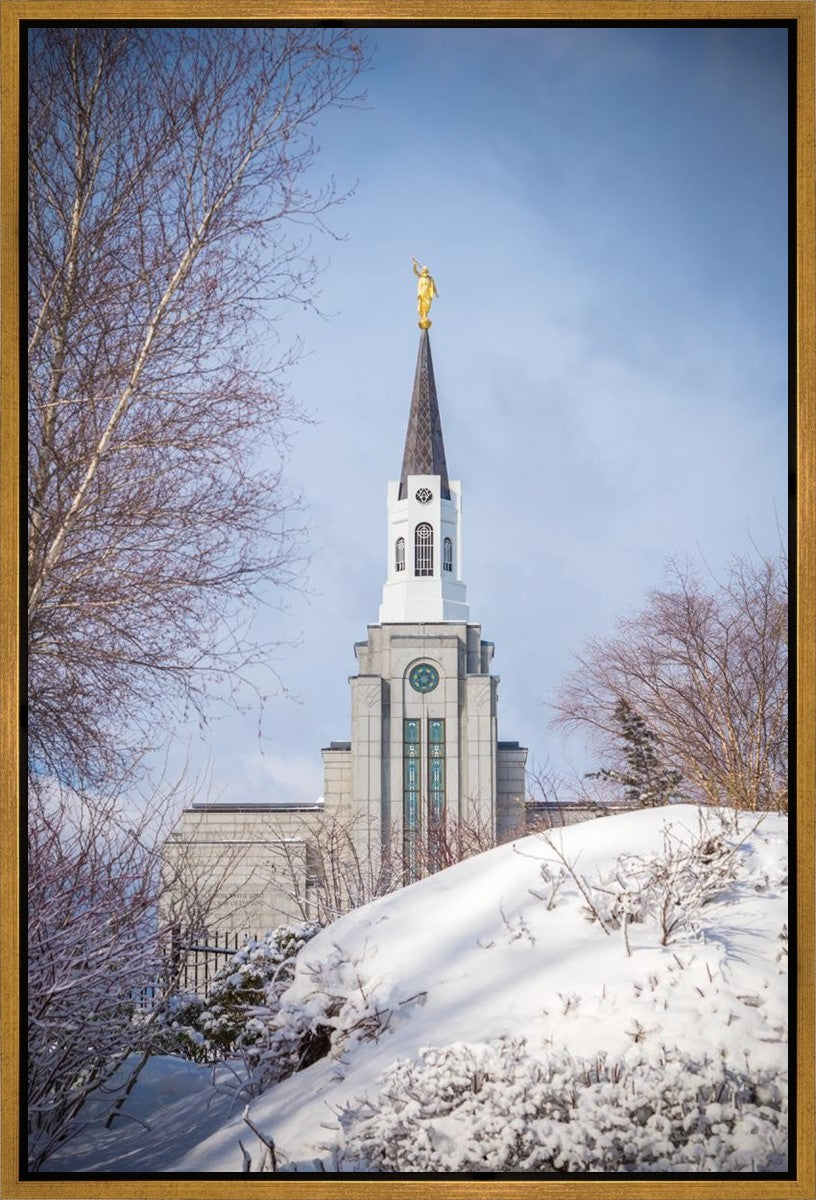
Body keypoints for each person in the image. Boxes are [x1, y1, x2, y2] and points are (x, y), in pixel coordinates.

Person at [412, 257, 438, 324]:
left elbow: (433, 286)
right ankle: (423, 316)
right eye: (423, 269)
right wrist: (415, 265)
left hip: (428, 292)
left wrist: (436, 292)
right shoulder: (421, 277)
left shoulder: (430, 278)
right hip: (422, 291)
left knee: (428, 303)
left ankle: (425, 315)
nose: (423, 270)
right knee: (422, 303)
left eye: (424, 269)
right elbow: (415, 272)